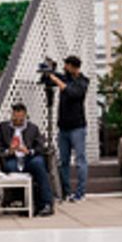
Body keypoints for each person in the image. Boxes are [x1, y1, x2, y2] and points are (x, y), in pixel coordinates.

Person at [44, 55, 90, 202]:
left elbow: (73, 93)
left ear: (73, 67)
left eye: (67, 65)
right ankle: (66, 192)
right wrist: (49, 72)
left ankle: (80, 193)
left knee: (80, 160)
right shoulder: (65, 78)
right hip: (63, 126)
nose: (65, 68)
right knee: (64, 161)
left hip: (77, 126)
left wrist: (57, 80)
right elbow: (47, 80)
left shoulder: (83, 81)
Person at [0, 103, 53, 215]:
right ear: (12, 115)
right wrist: (8, 151)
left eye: (20, 118)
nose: (18, 120)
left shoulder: (33, 128)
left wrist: (29, 151)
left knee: (39, 163)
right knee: (10, 167)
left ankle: (46, 203)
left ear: (25, 116)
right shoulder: (3, 127)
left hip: (28, 158)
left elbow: (40, 147)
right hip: (12, 158)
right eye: (15, 117)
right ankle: (20, 201)